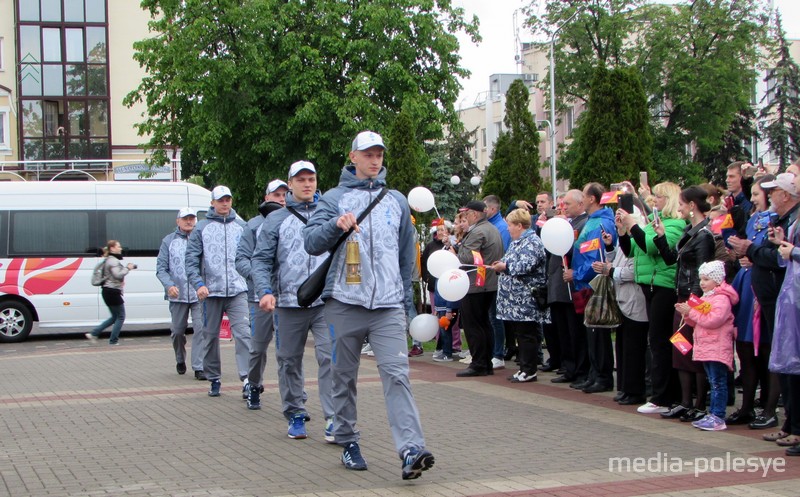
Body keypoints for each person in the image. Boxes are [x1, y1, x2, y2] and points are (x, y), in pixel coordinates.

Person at [303, 131, 434, 480]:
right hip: (344, 303)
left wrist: (405, 303)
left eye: (379, 154)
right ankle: (346, 438)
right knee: (343, 377)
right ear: (353, 157)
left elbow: (407, 254)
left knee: (397, 375)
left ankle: (410, 449)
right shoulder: (333, 198)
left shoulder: (396, 201)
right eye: (368, 154)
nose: (375, 160)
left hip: (388, 306)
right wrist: (334, 225)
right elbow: (311, 243)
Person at [252, 161, 335, 441]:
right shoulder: (277, 219)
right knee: (289, 361)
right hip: (288, 303)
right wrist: (265, 290)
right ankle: (295, 413)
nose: (307, 184)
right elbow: (261, 259)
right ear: (290, 185)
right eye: (301, 180)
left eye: (311, 178)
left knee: (330, 358)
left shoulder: (329, 213)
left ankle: (334, 417)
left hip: (326, 301)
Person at [729, 171, 800, 429]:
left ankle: (775, 412)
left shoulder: (783, 219)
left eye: (767, 192)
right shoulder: (763, 219)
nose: (765, 197)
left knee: (776, 354)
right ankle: (754, 408)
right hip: (759, 290)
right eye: (762, 192)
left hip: (778, 294)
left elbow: (779, 258)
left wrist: (753, 251)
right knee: (751, 351)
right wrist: (746, 252)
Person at [618, 182, 685, 414]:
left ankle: (662, 396)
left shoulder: (675, 224)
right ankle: (661, 394)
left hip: (664, 286)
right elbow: (633, 250)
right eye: (654, 196)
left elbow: (652, 248)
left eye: (659, 197)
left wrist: (634, 226)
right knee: (655, 341)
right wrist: (622, 233)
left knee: (659, 341)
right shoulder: (653, 224)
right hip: (649, 285)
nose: (654, 200)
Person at [653, 186, 715, 422]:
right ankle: (685, 401)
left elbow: (704, 272)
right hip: (681, 297)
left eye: (681, 203)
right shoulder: (689, 232)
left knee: (694, 352)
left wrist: (694, 304)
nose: (678, 207)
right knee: (680, 349)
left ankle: (699, 403)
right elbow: (671, 259)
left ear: (692, 206)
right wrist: (660, 237)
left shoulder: (705, 235)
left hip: (693, 300)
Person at [185, 186, 252, 397]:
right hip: (210, 292)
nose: (224, 203)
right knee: (210, 336)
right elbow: (191, 260)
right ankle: (214, 377)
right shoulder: (201, 228)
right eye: (220, 200)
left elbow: (252, 256)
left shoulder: (243, 226)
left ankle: (248, 379)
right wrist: (198, 284)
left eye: (228, 199)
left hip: (238, 290)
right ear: (212, 203)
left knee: (244, 335)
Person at [727, 175, 775, 425]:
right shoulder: (754, 218)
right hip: (746, 284)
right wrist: (737, 250)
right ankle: (746, 406)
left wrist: (751, 254)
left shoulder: (773, 220)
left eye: (757, 194)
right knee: (745, 347)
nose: (753, 199)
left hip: (761, 286)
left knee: (764, 349)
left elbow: (770, 255)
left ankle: (768, 406)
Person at [234, 180, 286, 408]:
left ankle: (295, 400)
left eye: (285, 194)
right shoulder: (254, 226)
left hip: (288, 298)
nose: (282, 198)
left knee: (289, 351)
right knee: (258, 347)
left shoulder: (295, 221)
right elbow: (241, 259)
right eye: (276, 195)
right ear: (266, 198)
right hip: (260, 298)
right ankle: (253, 384)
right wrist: (260, 278)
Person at [675, 261, 738, 431]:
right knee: (713, 381)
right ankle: (713, 414)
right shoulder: (705, 298)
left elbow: (713, 320)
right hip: (706, 347)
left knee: (718, 382)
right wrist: (686, 313)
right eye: (701, 278)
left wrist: (691, 312)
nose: (702, 282)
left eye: (706, 279)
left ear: (717, 280)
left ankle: (718, 415)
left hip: (717, 347)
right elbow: (698, 322)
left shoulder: (722, 299)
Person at [489, 208, 549, 383]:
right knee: (520, 334)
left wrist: (504, 267)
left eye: (510, 225)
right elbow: (511, 261)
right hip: (515, 301)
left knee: (527, 334)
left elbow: (525, 266)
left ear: (520, 225)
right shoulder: (517, 242)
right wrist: (501, 264)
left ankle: (529, 369)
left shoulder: (532, 242)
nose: (508, 228)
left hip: (526, 299)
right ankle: (524, 368)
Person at [594, 213, 648, 405]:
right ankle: (625, 387)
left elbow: (633, 271)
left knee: (633, 349)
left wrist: (611, 271)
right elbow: (615, 261)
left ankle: (635, 390)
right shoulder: (623, 243)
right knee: (623, 347)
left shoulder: (639, 243)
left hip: (634, 300)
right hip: (621, 300)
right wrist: (609, 247)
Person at [569, 183, 617, 393]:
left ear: (591, 199)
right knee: (591, 332)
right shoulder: (591, 222)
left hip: (593, 284)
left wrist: (577, 274)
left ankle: (603, 376)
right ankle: (594, 373)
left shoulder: (601, 223)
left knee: (598, 333)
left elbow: (596, 257)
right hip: (584, 284)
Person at [452, 200, 504, 377]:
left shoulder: (477, 232)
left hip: (476, 284)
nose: (464, 217)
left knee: (473, 324)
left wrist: (456, 250)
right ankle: (486, 362)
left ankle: (479, 363)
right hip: (488, 283)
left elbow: (467, 258)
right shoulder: (492, 228)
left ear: (474, 215)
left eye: (466, 214)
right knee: (484, 324)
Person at [156, 208, 205, 377]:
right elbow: (161, 269)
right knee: (178, 331)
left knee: (201, 328)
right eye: (185, 218)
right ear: (178, 221)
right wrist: (169, 285)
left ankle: (199, 366)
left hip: (199, 293)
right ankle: (179, 358)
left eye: (192, 218)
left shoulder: (201, 239)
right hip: (178, 294)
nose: (189, 221)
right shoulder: (168, 241)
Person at [548, 190, 589, 385]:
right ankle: (568, 366)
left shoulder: (584, 223)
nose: (564, 208)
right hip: (559, 283)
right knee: (563, 330)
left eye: (568, 204)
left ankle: (579, 370)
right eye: (562, 204)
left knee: (575, 331)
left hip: (574, 286)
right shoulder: (567, 223)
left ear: (581, 205)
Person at [85, 240, 136, 345]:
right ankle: (113, 341)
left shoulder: (109, 260)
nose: (121, 248)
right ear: (112, 248)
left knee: (114, 316)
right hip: (112, 292)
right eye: (118, 246)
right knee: (121, 316)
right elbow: (118, 275)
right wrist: (128, 268)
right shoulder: (113, 261)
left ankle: (94, 333)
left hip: (108, 291)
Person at [483, 195, 510, 369]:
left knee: (495, 317)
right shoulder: (491, 226)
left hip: (498, 276)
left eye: (485, 208)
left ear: (493, 209)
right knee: (490, 316)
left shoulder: (501, 228)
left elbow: (504, 252)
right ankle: (493, 351)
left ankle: (498, 353)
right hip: (488, 275)